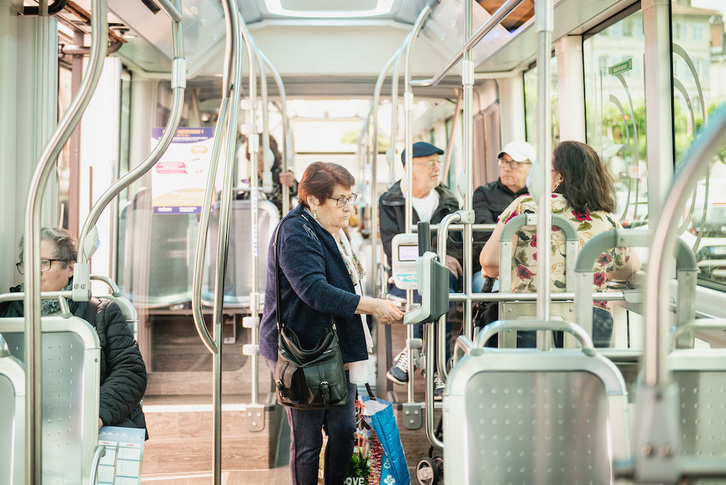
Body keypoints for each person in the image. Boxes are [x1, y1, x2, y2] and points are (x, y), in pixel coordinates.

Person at [258, 161, 404, 485]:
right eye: (341, 200)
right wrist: (373, 307)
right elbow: (316, 292)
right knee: (308, 442)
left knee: (343, 431)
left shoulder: (334, 232)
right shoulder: (295, 231)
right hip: (301, 349)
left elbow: (346, 285)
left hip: (334, 346)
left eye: (351, 198)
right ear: (312, 200)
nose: (349, 207)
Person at [479, 140, 641, 347]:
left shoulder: (525, 207)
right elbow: (630, 268)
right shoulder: (606, 220)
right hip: (589, 325)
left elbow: (490, 261)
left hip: (527, 320)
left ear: (560, 176)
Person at [0, 227, 148, 433]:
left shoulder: (101, 312)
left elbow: (130, 372)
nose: (34, 272)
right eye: (28, 263)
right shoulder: (6, 311)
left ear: (70, 268)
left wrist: (95, 414)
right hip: (21, 426)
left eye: (44, 263)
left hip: (84, 424)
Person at [378, 141, 461, 388]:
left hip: (442, 274)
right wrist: (436, 254)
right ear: (409, 167)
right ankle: (437, 366)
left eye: (438, 162)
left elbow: (456, 246)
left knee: (439, 283)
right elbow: (394, 247)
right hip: (407, 273)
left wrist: (437, 258)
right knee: (436, 289)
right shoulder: (390, 201)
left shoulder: (449, 200)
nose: (437, 168)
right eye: (429, 164)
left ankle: (412, 352)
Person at [472, 140, 535, 293]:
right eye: (504, 162)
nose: (506, 168)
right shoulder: (484, 193)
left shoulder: (539, 196)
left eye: (514, 163)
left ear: (532, 167)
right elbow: (482, 232)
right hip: (490, 267)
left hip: (531, 265)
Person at [243, 134, 298, 214]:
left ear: (272, 154)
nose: (259, 159)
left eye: (262, 154)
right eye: (255, 154)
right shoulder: (252, 178)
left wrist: (291, 183)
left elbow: (296, 188)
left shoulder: (281, 174)